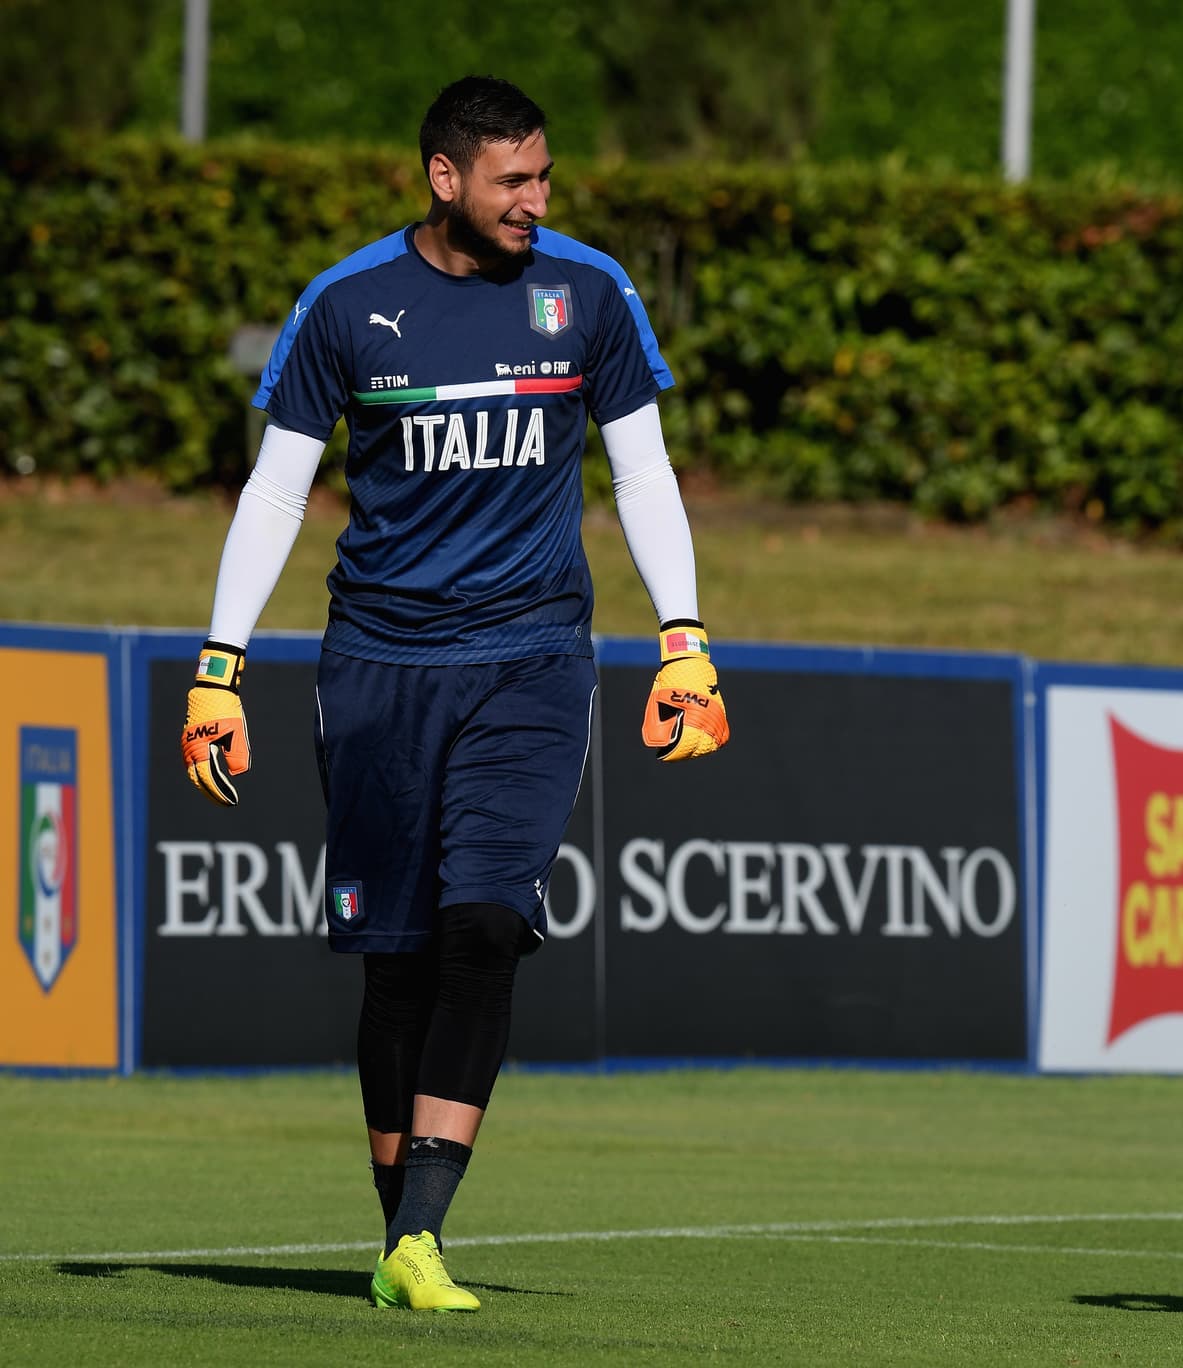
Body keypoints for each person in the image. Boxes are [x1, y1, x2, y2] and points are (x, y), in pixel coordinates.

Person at [179, 75, 729, 1313]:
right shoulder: (345, 303)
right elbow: (274, 496)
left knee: (486, 923)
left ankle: (421, 1231)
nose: (538, 200)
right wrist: (219, 668)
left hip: (533, 657)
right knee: (396, 961)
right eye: (512, 181)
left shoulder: (588, 293)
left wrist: (682, 639)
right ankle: (402, 1241)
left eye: (543, 177)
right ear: (444, 179)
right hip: (375, 664)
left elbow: (641, 474)